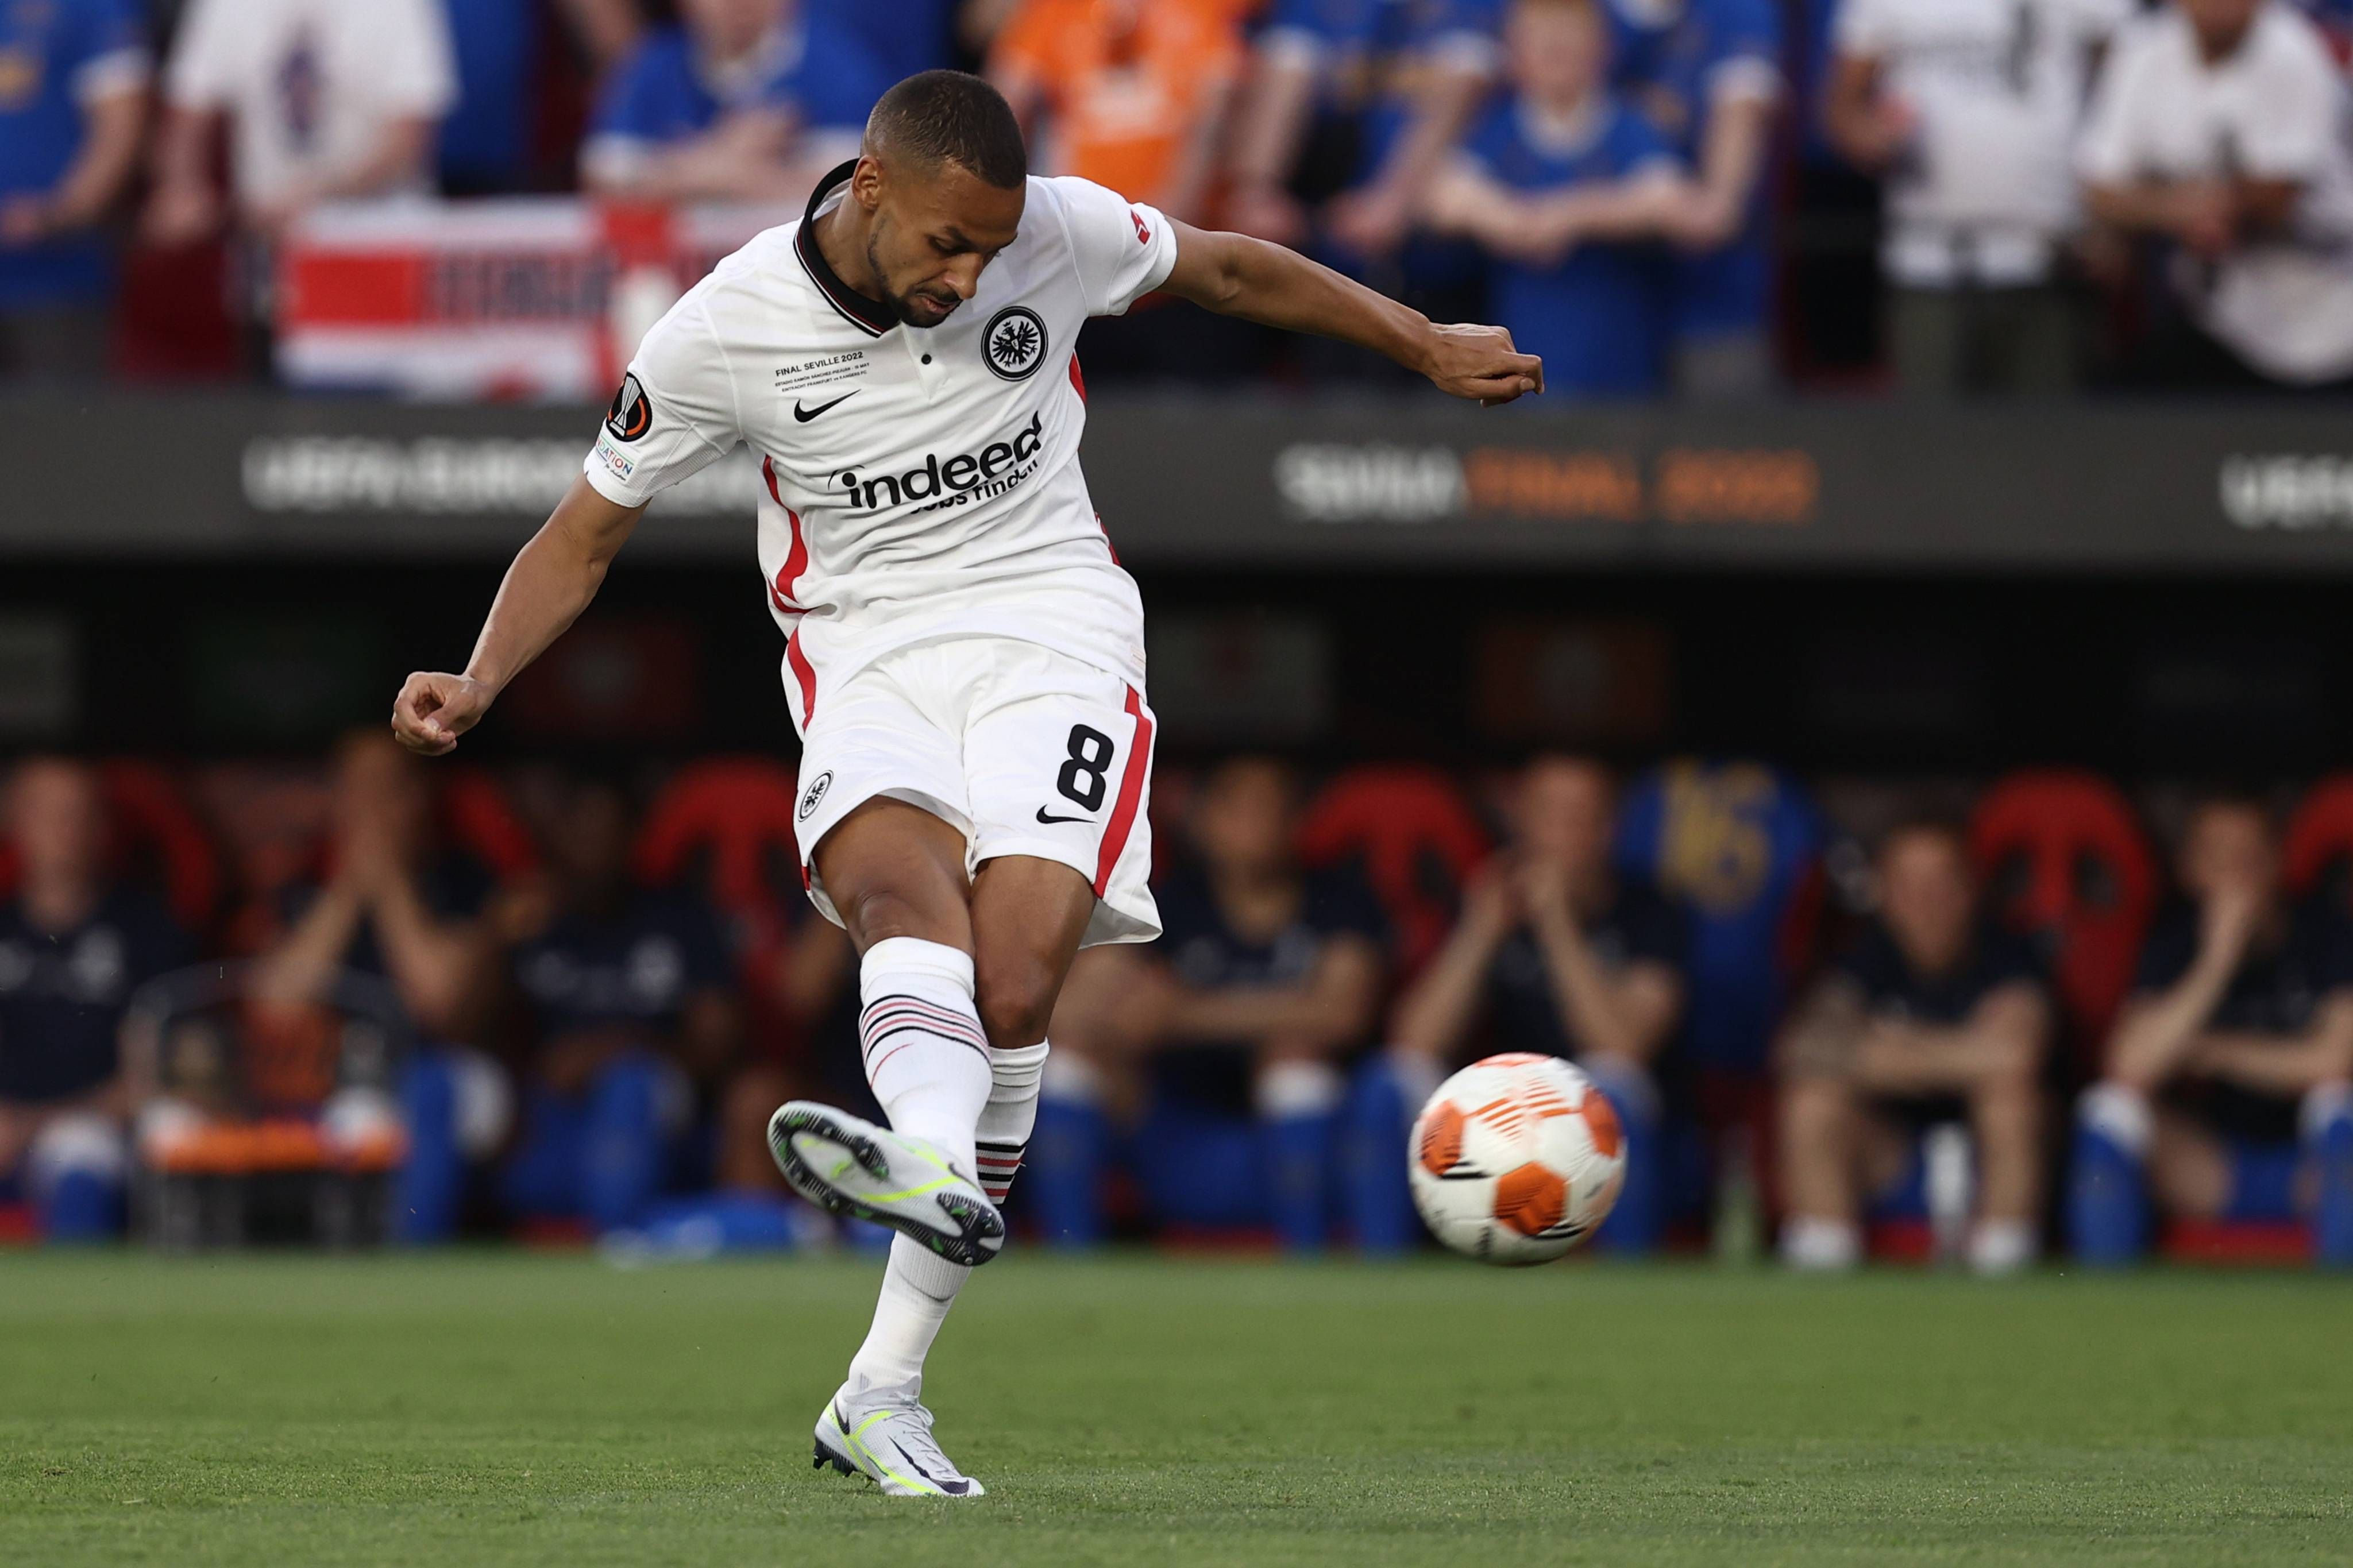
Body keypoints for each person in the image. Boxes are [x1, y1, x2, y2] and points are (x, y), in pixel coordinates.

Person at [389, 69, 1537, 1497]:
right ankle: (923, 1189)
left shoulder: (1050, 228)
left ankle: (885, 1377)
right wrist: (481, 678)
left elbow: (1232, 269)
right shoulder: (723, 328)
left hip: (1052, 629)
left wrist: (1418, 342)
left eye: (991, 249)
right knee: (889, 892)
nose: (972, 269)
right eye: (949, 243)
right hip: (865, 651)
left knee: (1012, 990)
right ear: (871, 188)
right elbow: (583, 534)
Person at [1029, 756, 1388, 1250]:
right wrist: (1124, 1029)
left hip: (1309, 1147)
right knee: (1068, 1065)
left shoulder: (1338, 898)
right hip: (1175, 1140)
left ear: (1298, 819)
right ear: (1201, 821)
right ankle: (1073, 1272)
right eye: (1236, 806)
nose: (1254, 822)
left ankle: (1310, 1271)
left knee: (1295, 1065)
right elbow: (1068, 1014)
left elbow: (1341, 1013)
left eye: (1270, 806)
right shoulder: (1163, 904)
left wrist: (1183, 1015)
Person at [1367, 756, 1687, 1252]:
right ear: (1520, 822)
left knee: (1615, 1083)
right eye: (1546, 814)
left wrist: (1557, 924)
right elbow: (1412, 1041)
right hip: (1493, 1128)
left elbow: (1623, 1047)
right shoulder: (1486, 903)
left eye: (1578, 817)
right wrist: (1480, 931)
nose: (1558, 833)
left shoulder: (1650, 911)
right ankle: (1381, 1283)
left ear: (1607, 831)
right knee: (1387, 1081)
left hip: (1605, 1139)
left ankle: (1629, 1285)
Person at [2069, 797, 2353, 1266]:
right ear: (2190, 870)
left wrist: (2212, 1052)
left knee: (2339, 1103)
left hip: (2314, 1170)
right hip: (2211, 1170)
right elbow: (2129, 1065)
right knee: (2110, 1111)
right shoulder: (2173, 945)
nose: (2236, 875)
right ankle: (2107, 1307)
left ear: (2278, 862)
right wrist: (2217, 960)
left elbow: (2335, 1061)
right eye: (2219, 859)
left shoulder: (2329, 935)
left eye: (2250, 858)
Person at [250, 731, 505, 1243]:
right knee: (341, 1109)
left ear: (418, 797)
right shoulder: (305, 892)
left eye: (389, 789)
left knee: (429, 1090)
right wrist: (349, 888)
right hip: (341, 1085)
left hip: (453, 1079)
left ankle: (417, 1270)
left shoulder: (462, 882)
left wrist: (388, 882)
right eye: (358, 791)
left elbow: (439, 1003)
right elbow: (275, 1009)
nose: (373, 809)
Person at [1776, 819, 2052, 1275]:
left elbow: (2017, 1055)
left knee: (2011, 1103)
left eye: (1941, 882)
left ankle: (2004, 1270)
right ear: (1882, 891)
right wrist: (1965, 1053)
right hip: (1895, 1160)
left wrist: (1889, 1045)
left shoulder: (2008, 953)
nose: (1925, 901)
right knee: (1813, 1102)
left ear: (1969, 888)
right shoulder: (1862, 958)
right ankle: (1825, 1269)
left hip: (1991, 1165)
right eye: (1907, 883)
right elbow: (1802, 1050)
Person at [1826, 0, 2128, 393]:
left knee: (2053, 443)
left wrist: (2113, 226)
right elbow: (1844, 106)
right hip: (1928, 261)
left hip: (2053, 260)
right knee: (1928, 444)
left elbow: (2127, 92)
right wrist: (1872, 136)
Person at [499, 777, 738, 1235]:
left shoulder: (676, 917)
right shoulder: (531, 919)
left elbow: (718, 1049)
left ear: (632, 837)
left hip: (654, 1121)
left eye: (606, 831)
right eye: (580, 831)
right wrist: (492, 939)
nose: (593, 847)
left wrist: (615, 1050)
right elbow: (459, 1028)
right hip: (550, 1126)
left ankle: (621, 1242)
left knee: (628, 1084)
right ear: (557, 836)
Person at [2076, 0, 2353, 391]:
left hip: (2328, 306)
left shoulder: (2295, 51)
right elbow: (2098, 187)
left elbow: (2276, 198)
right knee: (2129, 401)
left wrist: (2167, 206)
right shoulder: (2144, 48)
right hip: (2227, 316)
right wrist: (2177, 209)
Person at [1424, 0, 1691, 398]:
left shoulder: (1629, 126)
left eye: (1568, 48)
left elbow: (1670, 200)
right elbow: (1442, 196)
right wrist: (1509, 220)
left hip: (1622, 371)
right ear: (1516, 55)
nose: (1556, 60)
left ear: (1603, 50)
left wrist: (1570, 216)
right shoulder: (1501, 129)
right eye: (1544, 48)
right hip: (1524, 370)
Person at [0, 758, 191, 1240]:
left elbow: (150, 1078)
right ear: (13, 821)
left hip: (94, 1129)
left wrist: (32, 1126)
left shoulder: (146, 933)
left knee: (80, 1153)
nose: (65, 830)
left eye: (79, 814)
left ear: (103, 827)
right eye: (47, 813)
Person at [146, 0, 457, 248]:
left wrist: (321, 196)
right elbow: (189, 110)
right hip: (270, 246)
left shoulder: (397, 5)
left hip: (380, 244)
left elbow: (408, 140)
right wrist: (182, 185)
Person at [1608, 0, 1785, 395]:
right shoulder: (1572, 13)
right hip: (1593, 305)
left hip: (1714, 304)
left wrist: (1711, 203)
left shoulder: (1739, 11)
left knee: (1728, 447)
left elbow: (1719, 210)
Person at [581, 0, 886, 202]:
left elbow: (844, 196)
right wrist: (723, 160)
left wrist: (682, 172)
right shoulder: (652, 67)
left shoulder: (840, 68)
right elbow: (604, 185)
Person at [0, 0, 148, 380]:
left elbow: (119, 129)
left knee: (59, 427)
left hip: (57, 277)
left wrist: (58, 214)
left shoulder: (96, 8)